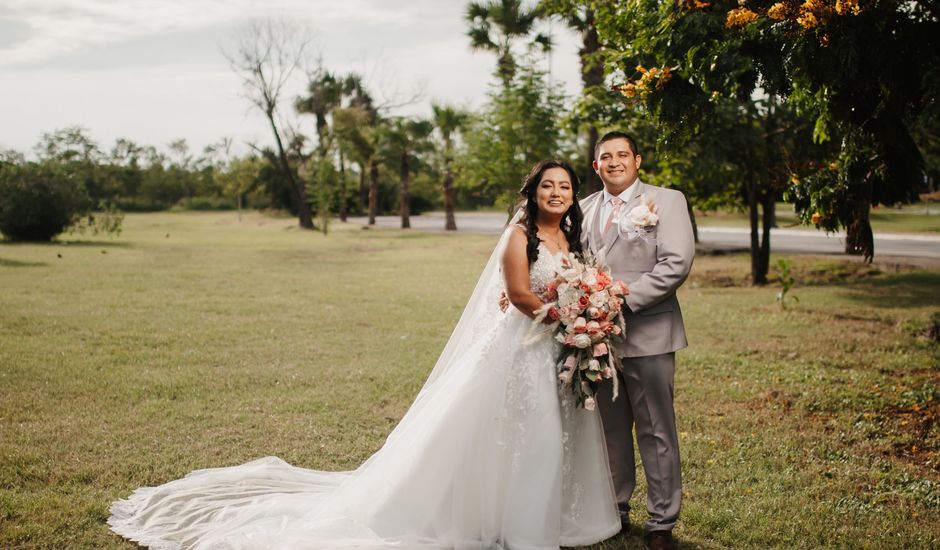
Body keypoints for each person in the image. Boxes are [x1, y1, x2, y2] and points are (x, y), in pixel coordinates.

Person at [108, 159, 620, 550]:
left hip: (551, 352)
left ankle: (523, 517)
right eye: (548, 186)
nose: (557, 193)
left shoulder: (568, 235)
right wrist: (572, 319)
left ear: (574, 196)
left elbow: (566, 286)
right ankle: (507, 527)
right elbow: (522, 295)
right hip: (519, 352)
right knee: (517, 434)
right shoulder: (520, 235)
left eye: (566, 187)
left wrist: (585, 311)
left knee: (534, 436)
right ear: (532, 193)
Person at [579, 132, 695, 550]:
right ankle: (615, 508)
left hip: (648, 331)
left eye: (622, 155)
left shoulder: (666, 201)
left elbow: (676, 262)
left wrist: (619, 301)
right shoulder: (584, 209)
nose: (614, 162)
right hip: (597, 340)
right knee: (609, 430)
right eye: (605, 157)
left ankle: (662, 520)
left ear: (637, 160)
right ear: (596, 167)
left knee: (656, 429)